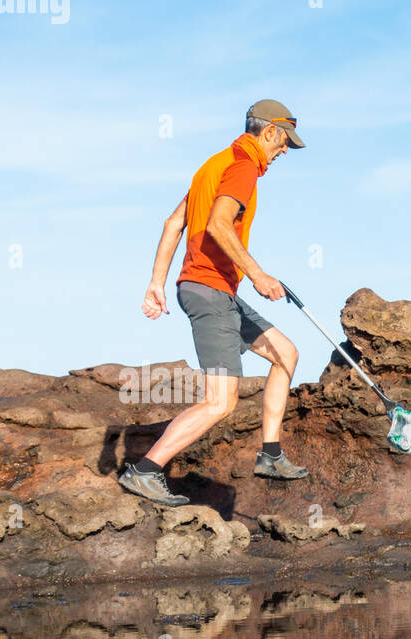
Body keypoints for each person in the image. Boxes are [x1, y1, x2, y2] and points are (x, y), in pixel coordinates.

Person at [121, 99, 309, 507]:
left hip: (215, 289)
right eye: (283, 143)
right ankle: (146, 471)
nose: (282, 153)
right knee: (220, 401)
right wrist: (258, 274)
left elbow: (174, 223)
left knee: (286, 354)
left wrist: (156, 283)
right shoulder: (242, 166)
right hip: (209, 291)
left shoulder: (213, 164)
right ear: (270, 131)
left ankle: (270, 455)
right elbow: (219, 224)